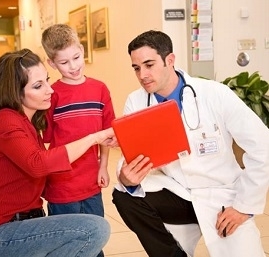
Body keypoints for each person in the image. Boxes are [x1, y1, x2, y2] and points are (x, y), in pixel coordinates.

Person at [112, 30, 269, 257]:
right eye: (137, 68)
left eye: (149, 65)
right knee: (123, 196)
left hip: (222, 196)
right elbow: (130, 156)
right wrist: (126, 178)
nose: (142, 75)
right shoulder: (136, 101)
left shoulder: (215, 94)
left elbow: (263, 146)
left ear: (170, 60)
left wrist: (244, 207)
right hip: (177, 193)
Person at [0, 48, 117, 257]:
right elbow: (38, 164)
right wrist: (94, 138)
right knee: (95, 230)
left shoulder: (28, 123)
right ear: (15, 92)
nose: (50, 90)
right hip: (1, 233)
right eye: (38, 86)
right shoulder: (5, 120)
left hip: (26, 224)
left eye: (47, 81)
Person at [41, 24, 115, 257]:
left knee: (95, 238)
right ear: (51, 64)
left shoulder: (100, 89)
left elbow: (107, 132)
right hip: (61, 185)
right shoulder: (51, 95)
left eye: (76, 57)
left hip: (91, 181)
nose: (73, 66)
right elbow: (47, 140)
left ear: (82, 50)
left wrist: (103, 166)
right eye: (64, 62)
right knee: (66, 243)